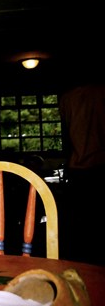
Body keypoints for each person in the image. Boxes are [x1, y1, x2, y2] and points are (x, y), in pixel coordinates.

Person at [59, 81, 105, 265]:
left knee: (81, 225)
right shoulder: (98, 93)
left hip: (79, 167)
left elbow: (67, 136)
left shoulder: (68, 98)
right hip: (93, 167)